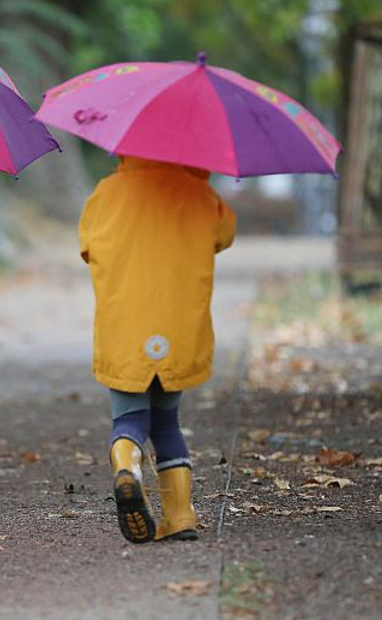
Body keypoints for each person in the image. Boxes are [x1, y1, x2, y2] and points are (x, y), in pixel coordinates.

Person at [78, 155, 236, 543]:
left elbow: (87, 246)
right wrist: (198, 174)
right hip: (178, 326)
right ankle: (180, 515)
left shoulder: (106, 194)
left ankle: (126, 464)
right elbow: (224, 234)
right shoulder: (201, 194)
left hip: (125, 327)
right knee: (167, 420)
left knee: (129, 419)